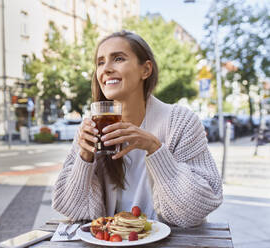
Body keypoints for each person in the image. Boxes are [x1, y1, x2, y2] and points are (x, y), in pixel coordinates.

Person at [52, 30, 222, 227]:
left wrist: (155, 148)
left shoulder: (181, 121)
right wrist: (85, 158)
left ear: (146, 70)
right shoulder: (91, 127)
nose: (105, 69)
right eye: (100, 62)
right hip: (111, 240)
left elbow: (195, 210)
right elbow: (70, 209)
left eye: (118, 58)